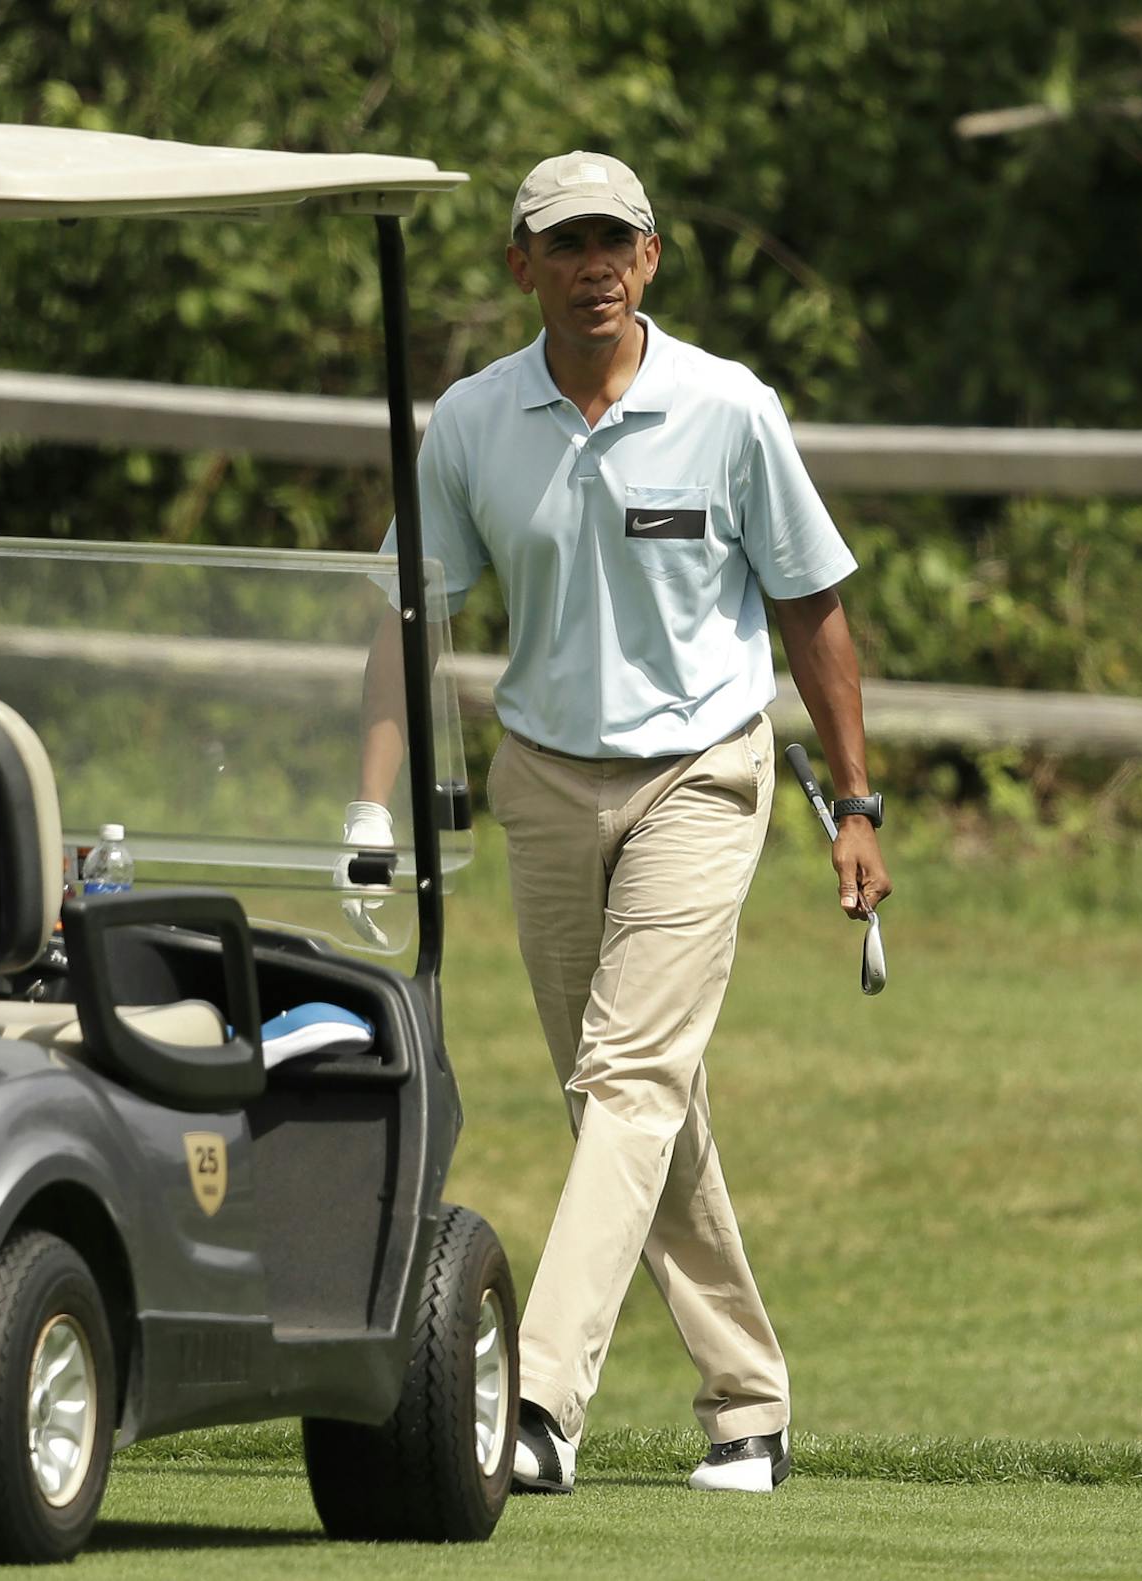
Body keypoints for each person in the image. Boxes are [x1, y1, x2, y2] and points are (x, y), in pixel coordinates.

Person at [343, 150, 890, 1495]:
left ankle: (533, 1401)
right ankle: (748, 1400)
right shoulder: (471, 421)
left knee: (628, 1080)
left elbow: (811, 604)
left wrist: (858, 798)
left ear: (651, 261)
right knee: (631, 1094)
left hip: (702, 775)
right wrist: (371, 796)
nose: (594, 264)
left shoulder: (728, 407)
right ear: (521, 264)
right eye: (564, 242)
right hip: (540, 781)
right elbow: (407, 615)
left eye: (616, 242)